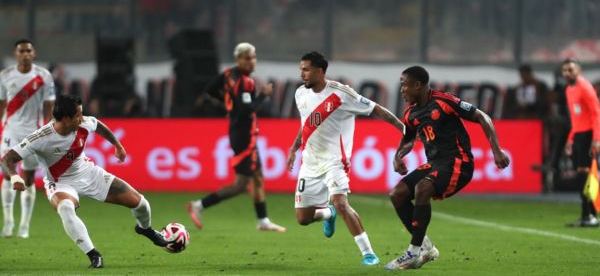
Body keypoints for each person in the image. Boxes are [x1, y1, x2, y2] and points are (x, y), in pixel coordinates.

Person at [0, 95, 171, 268]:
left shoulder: (83, 124)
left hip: (89, 173)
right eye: (78, 115)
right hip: (60, 182)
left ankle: (145, 229)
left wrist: (117, 145)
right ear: (66, 119)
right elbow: (7, 159)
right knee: (65, 208)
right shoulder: (40, 138)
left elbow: (98, 125)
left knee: (141, 204)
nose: (82, 118)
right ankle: (94, 255)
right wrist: (14, 176)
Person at [285, 51, 406, 266]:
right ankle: (327, 213)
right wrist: (294, 148)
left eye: (306, 69)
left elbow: (377, 110)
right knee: (303, 218)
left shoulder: (341, 94)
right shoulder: (300, 94)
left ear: (320, 71)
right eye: (300, 69)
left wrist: (405, 130)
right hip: (310, 162)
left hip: (335, 161)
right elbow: (306, 125)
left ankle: (369, 254)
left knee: (342, 204)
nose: (301, 74)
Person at [385, 65, 510, 270]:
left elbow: (481, 116)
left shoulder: (444, 101)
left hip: (458, 161)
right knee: (397, 194)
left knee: (422, 188)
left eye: (404, 85)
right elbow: (408, 140)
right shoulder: (411, 114)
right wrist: (398, 156)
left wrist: (496, 150)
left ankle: (413, 253)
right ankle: (426, 247)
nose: (402, 90)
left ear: (417, 85)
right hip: (435, 163)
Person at [187, 42, 285, 232]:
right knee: (240, 185)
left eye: (254, 57)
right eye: (247, 58)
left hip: (238, 130)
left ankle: (263, 220)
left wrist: (228, 104)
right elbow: (247, 109)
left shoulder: (228, 74)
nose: (252, 62)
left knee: (257, 176)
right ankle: (198, 205)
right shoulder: (245, 82)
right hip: (243, 135)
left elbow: (210, 89)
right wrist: (264, 95)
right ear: (238, 59)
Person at [1, 39, 55, 238]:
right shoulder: (5, 76)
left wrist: (48, 131)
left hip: (33, 133)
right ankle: (8, 222)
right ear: (16, 54)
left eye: (28, 51)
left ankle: (24, 225)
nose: (25, 54)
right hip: (10, 131)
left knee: (29, 179)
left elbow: (49, 105)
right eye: (21, 51)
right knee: (8, 174)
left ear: (34, 53)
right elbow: (1, 104)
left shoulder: (44, 76)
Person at [561, 58, 600, 227]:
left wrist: (597, 139)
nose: (568, 73)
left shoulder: (585, 87)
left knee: (587, 175)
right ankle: (590, 214)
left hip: (588, 135)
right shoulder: (569, 89)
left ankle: (589, 215)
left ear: (579, 70)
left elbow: (596, 113)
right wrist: (571, 138)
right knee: (585, 176)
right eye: (565, 70)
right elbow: (577, 118)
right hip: (579, 136)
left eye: (571, 69)